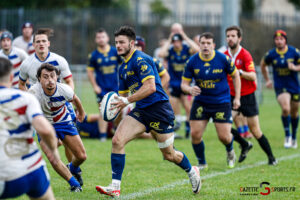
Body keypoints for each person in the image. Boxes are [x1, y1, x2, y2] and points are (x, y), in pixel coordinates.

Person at [95, 26, 201, 198]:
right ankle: (115, 187)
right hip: (141, 111)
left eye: (122, 42)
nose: (118, 46)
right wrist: (112, 105)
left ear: (131, 43)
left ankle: (192, 170)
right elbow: (121, 97)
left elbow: (150, 87)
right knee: (117, 140)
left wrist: (127, 100)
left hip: (160, 111)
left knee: (169, 155)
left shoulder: (141, 60)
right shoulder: (122, 69)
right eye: (116, 43)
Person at [19, 28, 83, 191]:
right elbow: (21, 84)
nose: (40, 44)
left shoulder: (59, 60)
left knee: (72, 147)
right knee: (54, 148)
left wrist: (67, 100)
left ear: (48, 43)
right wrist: (31, 103)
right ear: (33, 44)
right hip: (42, 111)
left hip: (61, 107)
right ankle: (72, 180)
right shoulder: (27, 63)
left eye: (43, 41)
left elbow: (69, 82)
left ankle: (73, 169)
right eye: (37, 41)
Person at [0, 57, 58, 199]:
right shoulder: (25, 97)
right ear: (11, 76)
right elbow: (44, 129)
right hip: (31, 170)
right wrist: (54, 152)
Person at [181, 32, 241, 169]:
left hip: (221, 102)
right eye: (203, 43)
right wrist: (189, 89)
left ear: (213, 45)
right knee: (195, 134)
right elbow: (183, 84)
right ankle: (202, 162)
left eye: (208, 43)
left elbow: (236, 76)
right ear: (199, 44)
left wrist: (237, 98)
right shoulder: (192, 61)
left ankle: (230, 150)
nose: (205, 46)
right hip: (201, 102)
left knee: (224, 137)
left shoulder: (223, 59)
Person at [29, 63, 87, 191]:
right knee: (52, 156)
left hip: (64, 122)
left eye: (52, 76)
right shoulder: (34, 92)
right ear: (39, 79)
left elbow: (75, 99)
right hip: (45, 125)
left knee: (82, 156)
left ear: (57, 77)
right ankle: (74, 184)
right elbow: (28, 110)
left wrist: (81, 113)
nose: (49, 80)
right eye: (45, 77)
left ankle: (72, 168)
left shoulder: (64, 89)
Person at [225, 26, 277, 165]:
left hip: (247, 96)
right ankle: (244, 144)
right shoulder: (224, 55)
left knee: (255, 130)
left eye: (233, 36)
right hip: (231, 96)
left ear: (239, 38)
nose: (230, 38)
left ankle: (271, 158)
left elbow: (253, 75)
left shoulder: (245, 55)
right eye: (228, 36)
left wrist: (239, 72)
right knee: (224, 126)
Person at [261, 30, 300, 149]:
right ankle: (287, 135)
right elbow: (263, 65)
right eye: (277, 39)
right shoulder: (271, 54)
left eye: (281, 39)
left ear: (285, 40)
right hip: (280, 86)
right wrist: (267, 79)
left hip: (294, 86)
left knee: (294, 113)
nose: (279, 41)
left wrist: (295, 67)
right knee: (285, 108)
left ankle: (293, 137)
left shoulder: (294, 52)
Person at [159, 23, 199, 138]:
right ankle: (178, 121)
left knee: (188, 106)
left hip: (185, 83)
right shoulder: (170, 51)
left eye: (178, 41)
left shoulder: (186, 49)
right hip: (174, 83)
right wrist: (169, 39)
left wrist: (185, 37)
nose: (176, 43)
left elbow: (197, 49)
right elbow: (161, 53)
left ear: (181, 41)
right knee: (172, 101)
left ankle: (188, 130)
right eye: (174, 42)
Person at [87, 28, 121, 141]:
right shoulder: (94, 55)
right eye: (98, 37)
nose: (101, 39)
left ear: (107, 38)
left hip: (115, 87)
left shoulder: (115, 51)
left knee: (117, 110)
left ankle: (115, 129)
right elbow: (90, 72)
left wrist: (123, 81)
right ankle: (102, 136)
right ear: (96, 40)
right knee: (102, 111)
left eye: (103, 37)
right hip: (101, 89)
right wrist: (95, 86)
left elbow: (124, 65)